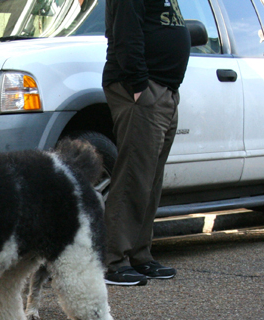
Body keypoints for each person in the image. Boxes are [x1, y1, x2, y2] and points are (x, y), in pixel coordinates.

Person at [101, 0, 190, 286]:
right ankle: (113, 261)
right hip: (141, 88)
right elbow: (126, 33)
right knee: (133, 177)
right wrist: (139, 86)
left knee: (150, 179)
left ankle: (139, 255)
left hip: (163, 90)